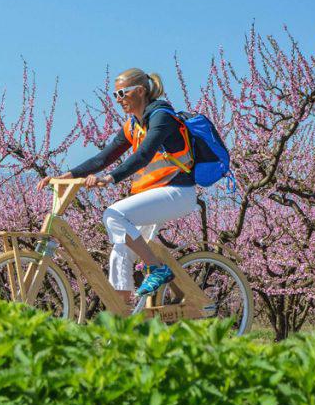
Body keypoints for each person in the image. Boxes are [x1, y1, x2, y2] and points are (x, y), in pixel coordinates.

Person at [37, 68, 196, 302]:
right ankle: (122, 319)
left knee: (114, 215)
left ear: (140, 91)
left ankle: (156, 268)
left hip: (177, 192)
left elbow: (143, 155)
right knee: (119, 252)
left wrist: (110, 178)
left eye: (122, 93)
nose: (119, 100)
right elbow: (104, 157)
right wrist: (68, 175)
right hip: (153, 194)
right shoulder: (133, 125)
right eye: (115, 95)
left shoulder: (161, 117)